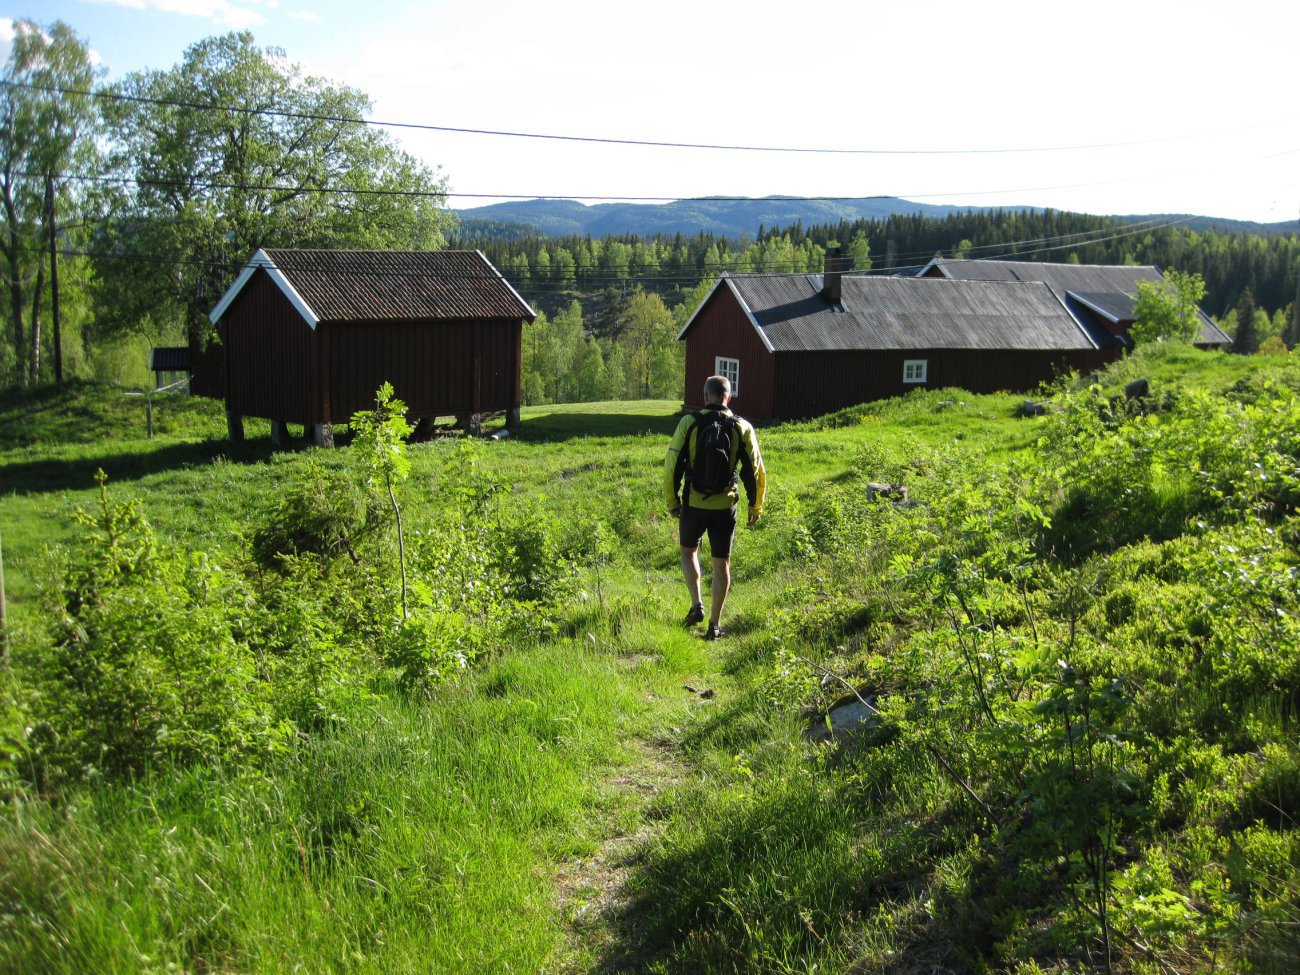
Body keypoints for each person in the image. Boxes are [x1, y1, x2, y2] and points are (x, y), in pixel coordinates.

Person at [663, 374, 766, 639]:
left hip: (693, 503)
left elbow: (672, 465)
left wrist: (673, 501)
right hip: (726, 506)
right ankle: (714, 625)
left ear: (705, 396)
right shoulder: (742, 426)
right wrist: (755, 506)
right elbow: (755, 470)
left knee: (688, 552)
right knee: (722, 564)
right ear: (728, 397)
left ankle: (696, 604)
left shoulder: (689, 423)